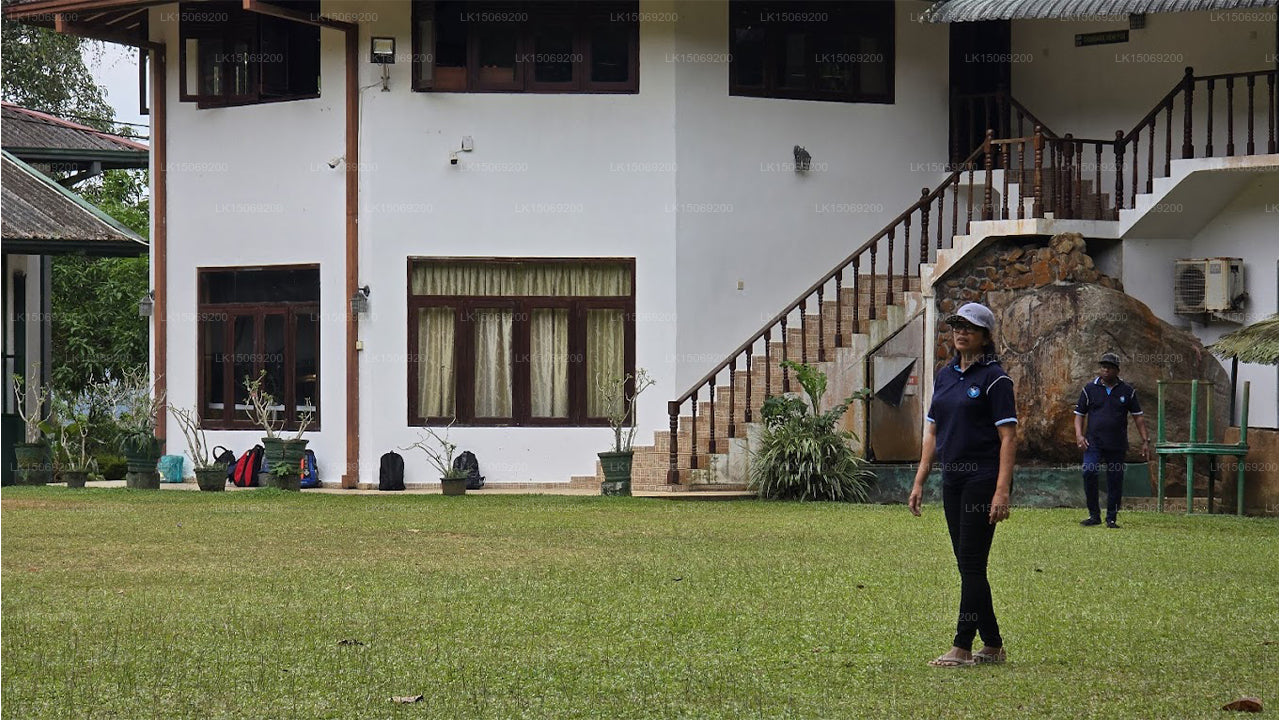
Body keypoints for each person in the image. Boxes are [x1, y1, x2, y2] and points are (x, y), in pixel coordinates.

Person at [909, 302, 1017, 668]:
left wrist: (1002, 490)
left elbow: (1008, 438)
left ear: (985, 337)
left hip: (982, 479)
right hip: (952, 479)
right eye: (957, 325)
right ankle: (993, 644)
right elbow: (932, 431)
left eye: (969, 327)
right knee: (968, 565)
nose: (961, 332)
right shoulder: (945, 376)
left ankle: (962, 646)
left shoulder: (996, 380)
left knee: (971, 563)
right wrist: (920, 480)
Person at [1074, 352, 1149, 529]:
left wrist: (1145, 440)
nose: (1105, 370)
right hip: (1093, 442)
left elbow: (1138, 417)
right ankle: (1094, 515)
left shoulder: (1127, 391)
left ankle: (1111, 518)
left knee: (1115, 479)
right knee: (1089, 471)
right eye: (1103, 367)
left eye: (1109, 367)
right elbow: (1079, 415)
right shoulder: (1089, 389)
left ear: (1117, 370)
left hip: (1116, 443)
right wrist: (1079, 435)